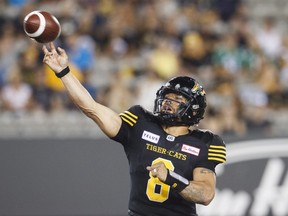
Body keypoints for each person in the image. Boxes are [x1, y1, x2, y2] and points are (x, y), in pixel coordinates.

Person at [42, 42, 226, 216]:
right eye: (167, 98)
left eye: (178, 100)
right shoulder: (140, 123)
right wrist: (64, 72)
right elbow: (92, 109)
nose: (169, 103)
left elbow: (205, 195)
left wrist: (171, 178)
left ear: (193, 108)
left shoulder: (205, 143)